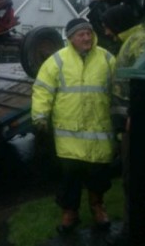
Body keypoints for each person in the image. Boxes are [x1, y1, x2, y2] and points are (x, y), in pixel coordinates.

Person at [32, 18, 116, 234]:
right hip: (68, 135)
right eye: (81, 34)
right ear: (70, 38)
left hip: (99, 131)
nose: (86, 37)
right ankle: (70, 213)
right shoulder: (56, 61)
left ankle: (98, 207)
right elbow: (43, 89)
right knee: (69, 178)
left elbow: (119, 90)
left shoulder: (107, 59)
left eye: (89, 33)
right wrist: (40, 117)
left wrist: (122, 116)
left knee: (98, 175)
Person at [101, 4, 145, 245]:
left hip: (137, 126)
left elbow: (144, 84)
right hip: (129, 127)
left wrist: (134, 114)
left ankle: (134, 231)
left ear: (119, 24)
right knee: (129, 178)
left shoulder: (139, 42)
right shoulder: (130, 42)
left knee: (135, 179)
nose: (107, 33)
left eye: (107, 27)